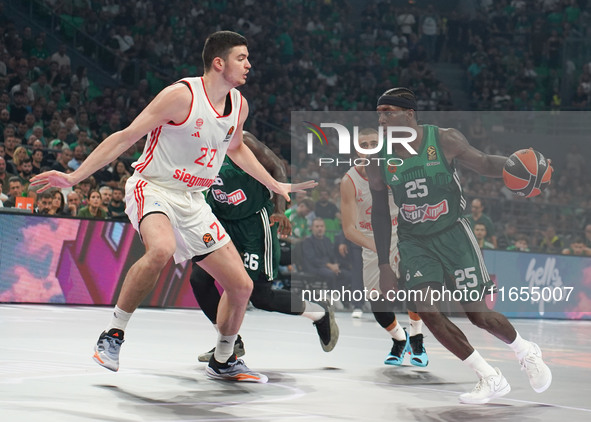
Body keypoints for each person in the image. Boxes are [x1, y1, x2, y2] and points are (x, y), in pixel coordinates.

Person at [31, 31, 316, 383]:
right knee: (161, 249)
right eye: (241, 57)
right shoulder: (180, 96)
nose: (249, 64)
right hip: (153, 187)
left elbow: (237, 148)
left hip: (194, 201)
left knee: (241, 286)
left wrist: (273, 183)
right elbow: (126, 136)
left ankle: (224, 358)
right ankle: (113, 334)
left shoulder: (239, 105)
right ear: (218, 62)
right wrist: (76, 177)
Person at [368, 87, 552, 404]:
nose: (382, 119)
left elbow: (483, 163)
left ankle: (525, 350)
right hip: (414, 240)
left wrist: (520, 166)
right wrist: (384, 263)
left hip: (453, 232)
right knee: (426, 310)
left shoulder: (443, 139)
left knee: (478, 315)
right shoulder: (377, 160)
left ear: (409, 114)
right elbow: (381, 213)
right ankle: (489, 377)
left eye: (389, 112)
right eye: (379, 113)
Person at [190, 131, 338, 362]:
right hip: (220, 220)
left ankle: (319, 312)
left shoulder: (242, 140)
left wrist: (280, 210)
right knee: (199, 278)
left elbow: (277, 167)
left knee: (260, 296)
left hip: (254, 223)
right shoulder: (192, 143)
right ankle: (229, 341)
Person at [340, 128, 428, 366]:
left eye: (373, 143)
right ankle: (400, 338)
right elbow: (349, 229)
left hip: (404, 233)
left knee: (413, 286)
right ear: (357, 150)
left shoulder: (397, 169)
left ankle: (417, 336)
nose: (369, 147)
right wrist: (378, 247)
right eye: (364, 144)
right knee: (377, 302)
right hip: (371, 240)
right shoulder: (350, 180)